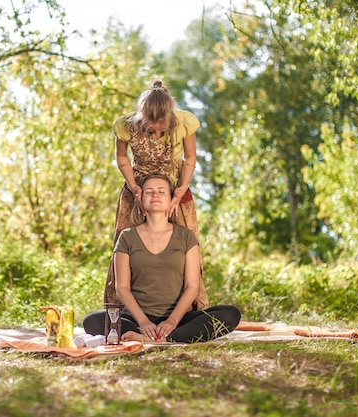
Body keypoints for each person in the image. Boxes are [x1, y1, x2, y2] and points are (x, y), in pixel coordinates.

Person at [84, 174, 241, 343]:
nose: (155, 195)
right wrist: (144, 322)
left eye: (161, 191)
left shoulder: (186, 236)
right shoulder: (127, 237)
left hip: (178, 319)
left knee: (230, 314)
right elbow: (122, 288)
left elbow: (192, 286)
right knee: (92, 321)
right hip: (137, 319)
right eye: (149, 192)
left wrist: (172, 321)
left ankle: (164, 339)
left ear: (171, 200)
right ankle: (157, 336)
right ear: (141, 199)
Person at [104, 80, 208, 312]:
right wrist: (134, 187)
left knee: (186, 245)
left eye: (163, 130)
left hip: (174, 190)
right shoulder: (126, 126)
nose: (158, 133)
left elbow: (189, 158)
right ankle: (121, 313)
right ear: (141, 119)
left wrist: (180, 189)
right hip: (138, 192)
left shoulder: (184, 123)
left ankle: (188, 310)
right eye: (152, 130)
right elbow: (122, 158)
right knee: (127, 246)